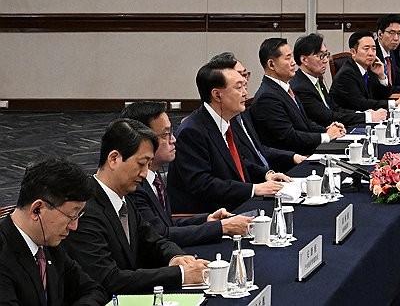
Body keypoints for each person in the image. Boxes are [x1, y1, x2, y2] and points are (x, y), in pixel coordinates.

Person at [61, 119, 208, 293]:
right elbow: (108, 278)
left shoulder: (124, 199)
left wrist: (177, 258)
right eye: (141, 163)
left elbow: (153, 241)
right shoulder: (83, 209)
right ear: (114, 158)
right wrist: (181, 275)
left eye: (148, 164)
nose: (145, 173)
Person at [119, 101, 251, 247]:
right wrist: (221, 227)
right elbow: (160, 234)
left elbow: (166, 222)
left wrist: (207, 219)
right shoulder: (135, 185)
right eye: (166, 134)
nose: (173, 139)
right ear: (142, 139)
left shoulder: (154, 177)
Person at [168, 61, 293, 214]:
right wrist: (254, 188)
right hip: (210, 217)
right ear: (217, 95)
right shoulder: (192, 132)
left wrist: (266, 174)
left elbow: (236, 163)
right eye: (238, 87)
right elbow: (202, 184)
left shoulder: (226, 120)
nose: (245, 93)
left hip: (237, 205)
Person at [0, 157, 107, 306]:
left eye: (78, 216)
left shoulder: (49, 245)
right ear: (37, 209)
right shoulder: (4, 253)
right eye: (70, 216)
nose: (74, 226)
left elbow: (94, 290)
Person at [208, 52, 306, 173]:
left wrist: (293, 157)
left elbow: (258, 149)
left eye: (245, 75)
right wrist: (265, 176)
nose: (244, 81)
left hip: (268, 174)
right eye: (239, 77)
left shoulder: (242, 111)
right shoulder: (222, 119)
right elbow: (237, 163)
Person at [249, 37, 346, 154]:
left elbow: (305, 123)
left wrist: (328, 129)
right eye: (288, 58)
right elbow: (288, 137)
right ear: (271, 64)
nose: (293, 62)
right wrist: (326, 136)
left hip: (306, 151)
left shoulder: (285, 88)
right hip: (292, 161)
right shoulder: (267, 97)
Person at [291, 33, 388, 127]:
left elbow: (335, 109)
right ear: (304, 60)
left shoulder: (316, 80)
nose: (325, 60)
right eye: (321, 56)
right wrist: (367, 117)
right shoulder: (301, 87)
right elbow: (327, 117)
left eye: (326, 55)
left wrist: (363, 113)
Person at [330, 31, 400, 112]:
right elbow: (362, 104)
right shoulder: (346, 74)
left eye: (374, 49)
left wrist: (381, 76)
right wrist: (395, 103)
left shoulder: (369, 68)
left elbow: (380, 94)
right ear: (353, 52)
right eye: (366, 49)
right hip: (348, 123)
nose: (371, 53)